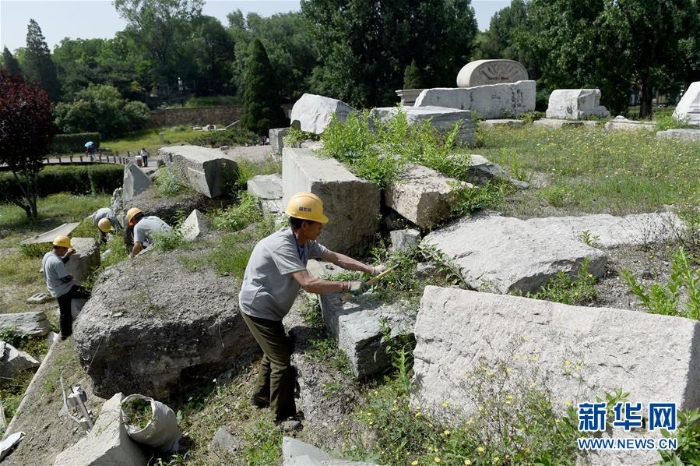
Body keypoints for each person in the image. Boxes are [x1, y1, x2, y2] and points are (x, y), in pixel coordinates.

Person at [238, 192, 386, 430]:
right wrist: (347, 286)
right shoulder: (282, 245)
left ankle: (262, 395)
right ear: (305, 224)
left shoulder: (304, 242)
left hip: (271, 309)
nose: (322, 228)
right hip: (258, 310)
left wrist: (370, 269)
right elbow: (307, 284)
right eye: (319, 223)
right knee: (281, 361)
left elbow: (335, 257)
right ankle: (283, 417)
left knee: (275, 348)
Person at [41, 235, 91, 340]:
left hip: (55, 289)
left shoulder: (48, 256)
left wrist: (67, 256)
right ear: (61, 247)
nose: (66, 251)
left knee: (65, 313)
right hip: (65, 289)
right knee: (89, 293)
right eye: (66, 249)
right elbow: (65, 279)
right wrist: (71, 276)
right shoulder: (57, 262)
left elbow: (58, 264)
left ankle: (65, 335)